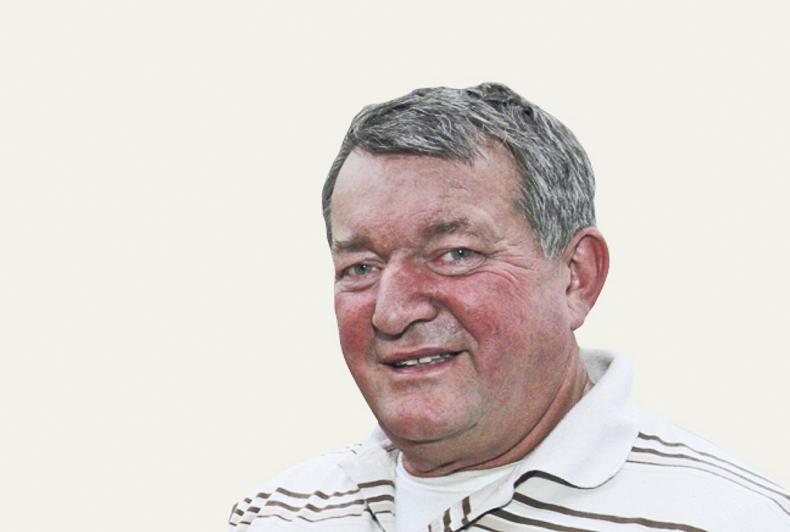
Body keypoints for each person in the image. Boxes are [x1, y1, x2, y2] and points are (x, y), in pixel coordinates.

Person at [229, 83, 790, 531]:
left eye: (455, 254)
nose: (392, 312)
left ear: (576, 277)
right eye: (360, 267)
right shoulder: (276, 514)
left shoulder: (727, 519)